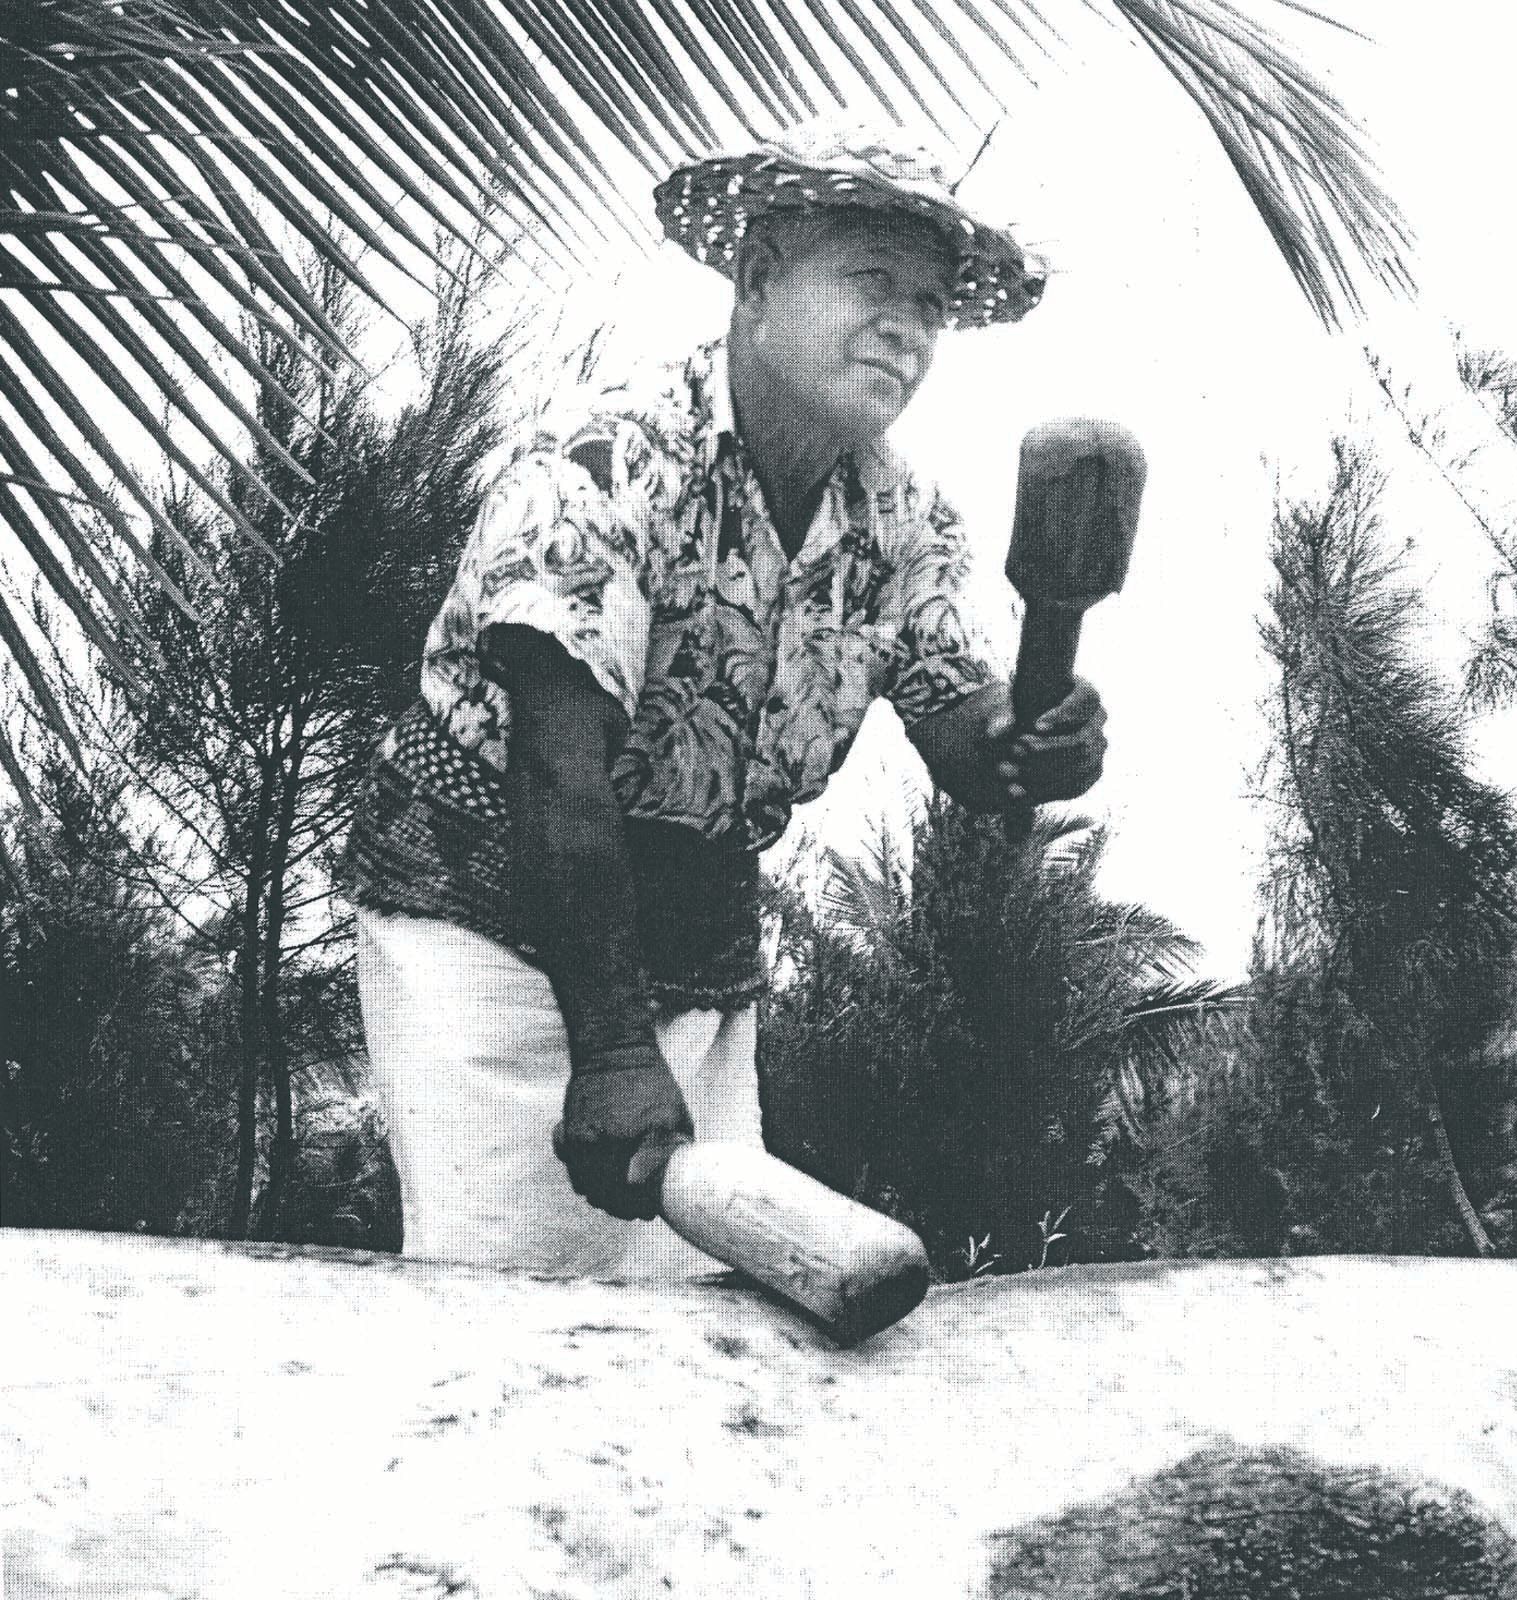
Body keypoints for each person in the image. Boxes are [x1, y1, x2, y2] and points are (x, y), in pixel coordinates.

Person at [340, 121, 1108, 1280]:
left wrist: (1039, 733)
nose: (906, 325)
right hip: (488, 919)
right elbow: (559, 772)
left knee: (693, 1325)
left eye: (931, 304)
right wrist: (606, 1047)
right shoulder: (601, 464)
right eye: (871, 282)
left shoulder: (901, 522)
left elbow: (969, 737)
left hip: (694, 948)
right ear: (755, 282)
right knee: (510, 1301)